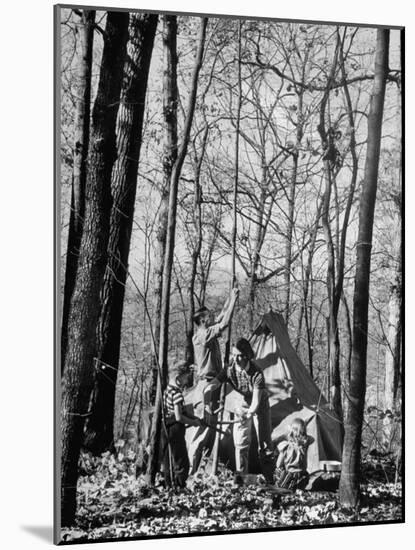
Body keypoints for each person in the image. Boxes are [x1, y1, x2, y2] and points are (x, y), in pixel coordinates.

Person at [203, 337, 274, 484]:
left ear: (247, 355)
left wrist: (248, 414)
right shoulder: (229, 369)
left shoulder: (257, 374)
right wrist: (206, 402)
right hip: (241, 404)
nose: (236, 359)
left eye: (240, 356)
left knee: (264, 444)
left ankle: (269, 479)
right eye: (234, 355)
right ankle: (242, 478)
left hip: (259, 406)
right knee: (240, 443)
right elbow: (212, 385)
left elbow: (255, 402)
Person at [187, 287, 239, 471]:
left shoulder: (205, 330)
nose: (212, 317)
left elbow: (221, 317)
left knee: (208, 428)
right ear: (202, 320)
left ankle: (198, 470)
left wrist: (231, 296)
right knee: (201, 429)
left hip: (213, 383)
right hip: (206, 385)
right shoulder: (203, 335)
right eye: (209, 316)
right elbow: (224, 323)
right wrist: (232, 300)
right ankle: (190, 472)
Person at [162, 361, 203, 489]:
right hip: (175, 428)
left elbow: (181, 412)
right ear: (178, 377)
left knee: (169, 457)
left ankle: (169, 483)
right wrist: (193, 423)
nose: (187, 381)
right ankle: (179, 485)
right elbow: (179, 416)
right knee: (181, 459)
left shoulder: (166, 390)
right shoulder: (177, 394)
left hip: (166, 427)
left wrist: (194, 417)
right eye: (186, 377)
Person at [274, 417, 310, 490]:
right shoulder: (303, 448)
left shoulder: (285, 447)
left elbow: (278, 464)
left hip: (289, 476)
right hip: (301, 477)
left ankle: (284, 485)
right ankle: (296, 486)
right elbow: (305, 466)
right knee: (304, 474)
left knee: (277, 470)